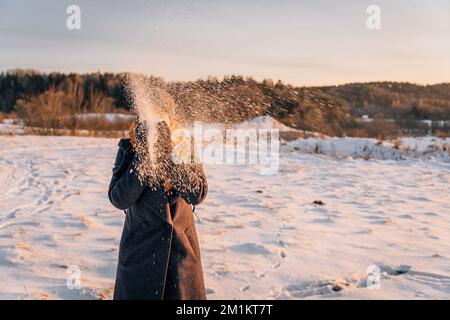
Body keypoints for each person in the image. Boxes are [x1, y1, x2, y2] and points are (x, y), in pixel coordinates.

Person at [108, 120, 208, 300]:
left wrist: (169, 157)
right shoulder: (129, 148)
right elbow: (119, 199)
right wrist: (146, 155)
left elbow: (197, 194)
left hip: (180, 252)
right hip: (140, 253)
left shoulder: (185, 147)